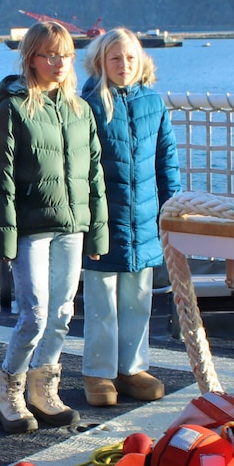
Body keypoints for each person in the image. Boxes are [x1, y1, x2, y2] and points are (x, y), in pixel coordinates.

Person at [0, 21, 108, 434]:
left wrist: (97, 232)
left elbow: (94, 175)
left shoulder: (81, 110)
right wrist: (2, 239)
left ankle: (43, 390)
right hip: (30, 229)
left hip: (72, 228)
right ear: (31, 59)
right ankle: (9, 391)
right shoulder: (14, 109)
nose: (59, 63)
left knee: (61, 313)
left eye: (66, 55)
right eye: (50, 55)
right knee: (34, 315)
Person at [79, 28, 182, 408]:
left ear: (142, 62)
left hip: (144, 222)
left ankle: (132, 368)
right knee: (102, 302)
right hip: (104, 222)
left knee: (138, 299)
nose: (124, 65)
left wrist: (171, 210)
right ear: (101, 62)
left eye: (130, 58)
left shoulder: (153, 102)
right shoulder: (89, 103)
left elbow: (166, 161)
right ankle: (98, 371)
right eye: (116, 58)